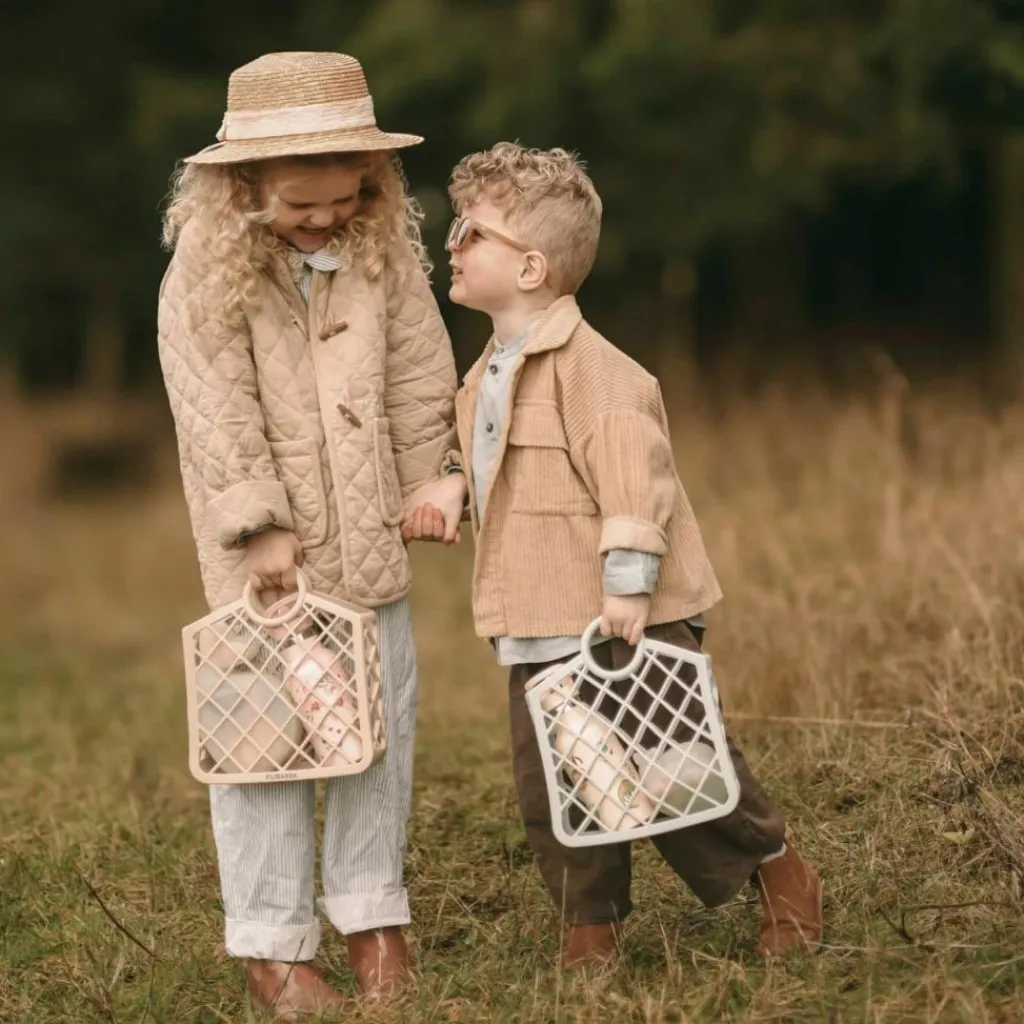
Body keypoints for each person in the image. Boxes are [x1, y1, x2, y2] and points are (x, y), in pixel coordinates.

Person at [403, 142, 823, 970]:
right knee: (557, 782)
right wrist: (452, 484)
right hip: (532, 614)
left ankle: (779, 871)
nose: (451, 245)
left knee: (675, 765)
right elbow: (474, 451)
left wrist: (627, 591)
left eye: (471, 233)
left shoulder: (599, 374)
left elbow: (638, 486)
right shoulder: (485, 370)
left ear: (530, 269)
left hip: (624, 619)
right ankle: (589, 925)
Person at [158, 51, 458, 1015]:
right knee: (263, 747)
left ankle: (373, 914)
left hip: (367, 544)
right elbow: (214, 410)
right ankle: (274, 945)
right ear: (244, 187)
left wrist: (432, 479)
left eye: (346, 197)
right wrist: (258, 527)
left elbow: (418, 375)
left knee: (379, 732)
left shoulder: (384, 255)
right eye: (300, 205)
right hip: (265, 563)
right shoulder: (205, 276)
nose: (326, 218)